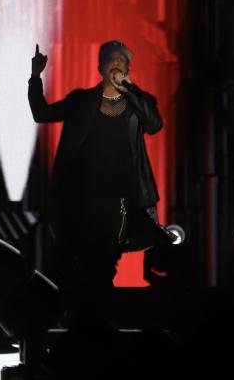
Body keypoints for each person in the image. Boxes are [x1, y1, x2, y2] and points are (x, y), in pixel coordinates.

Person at [29, 41, 170, 309]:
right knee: (79, 259)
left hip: (120, 200)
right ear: (100, 67)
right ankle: (80, 317)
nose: (116, 63)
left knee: (107, 262)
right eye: (110, 59)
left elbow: (154, 124)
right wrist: (36, 77)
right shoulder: (81, 99)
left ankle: (98, 321)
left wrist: (130, 90)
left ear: (129, 67)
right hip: (81, 197)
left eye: (122, 59)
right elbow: (42, 113)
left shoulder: (140, 102)